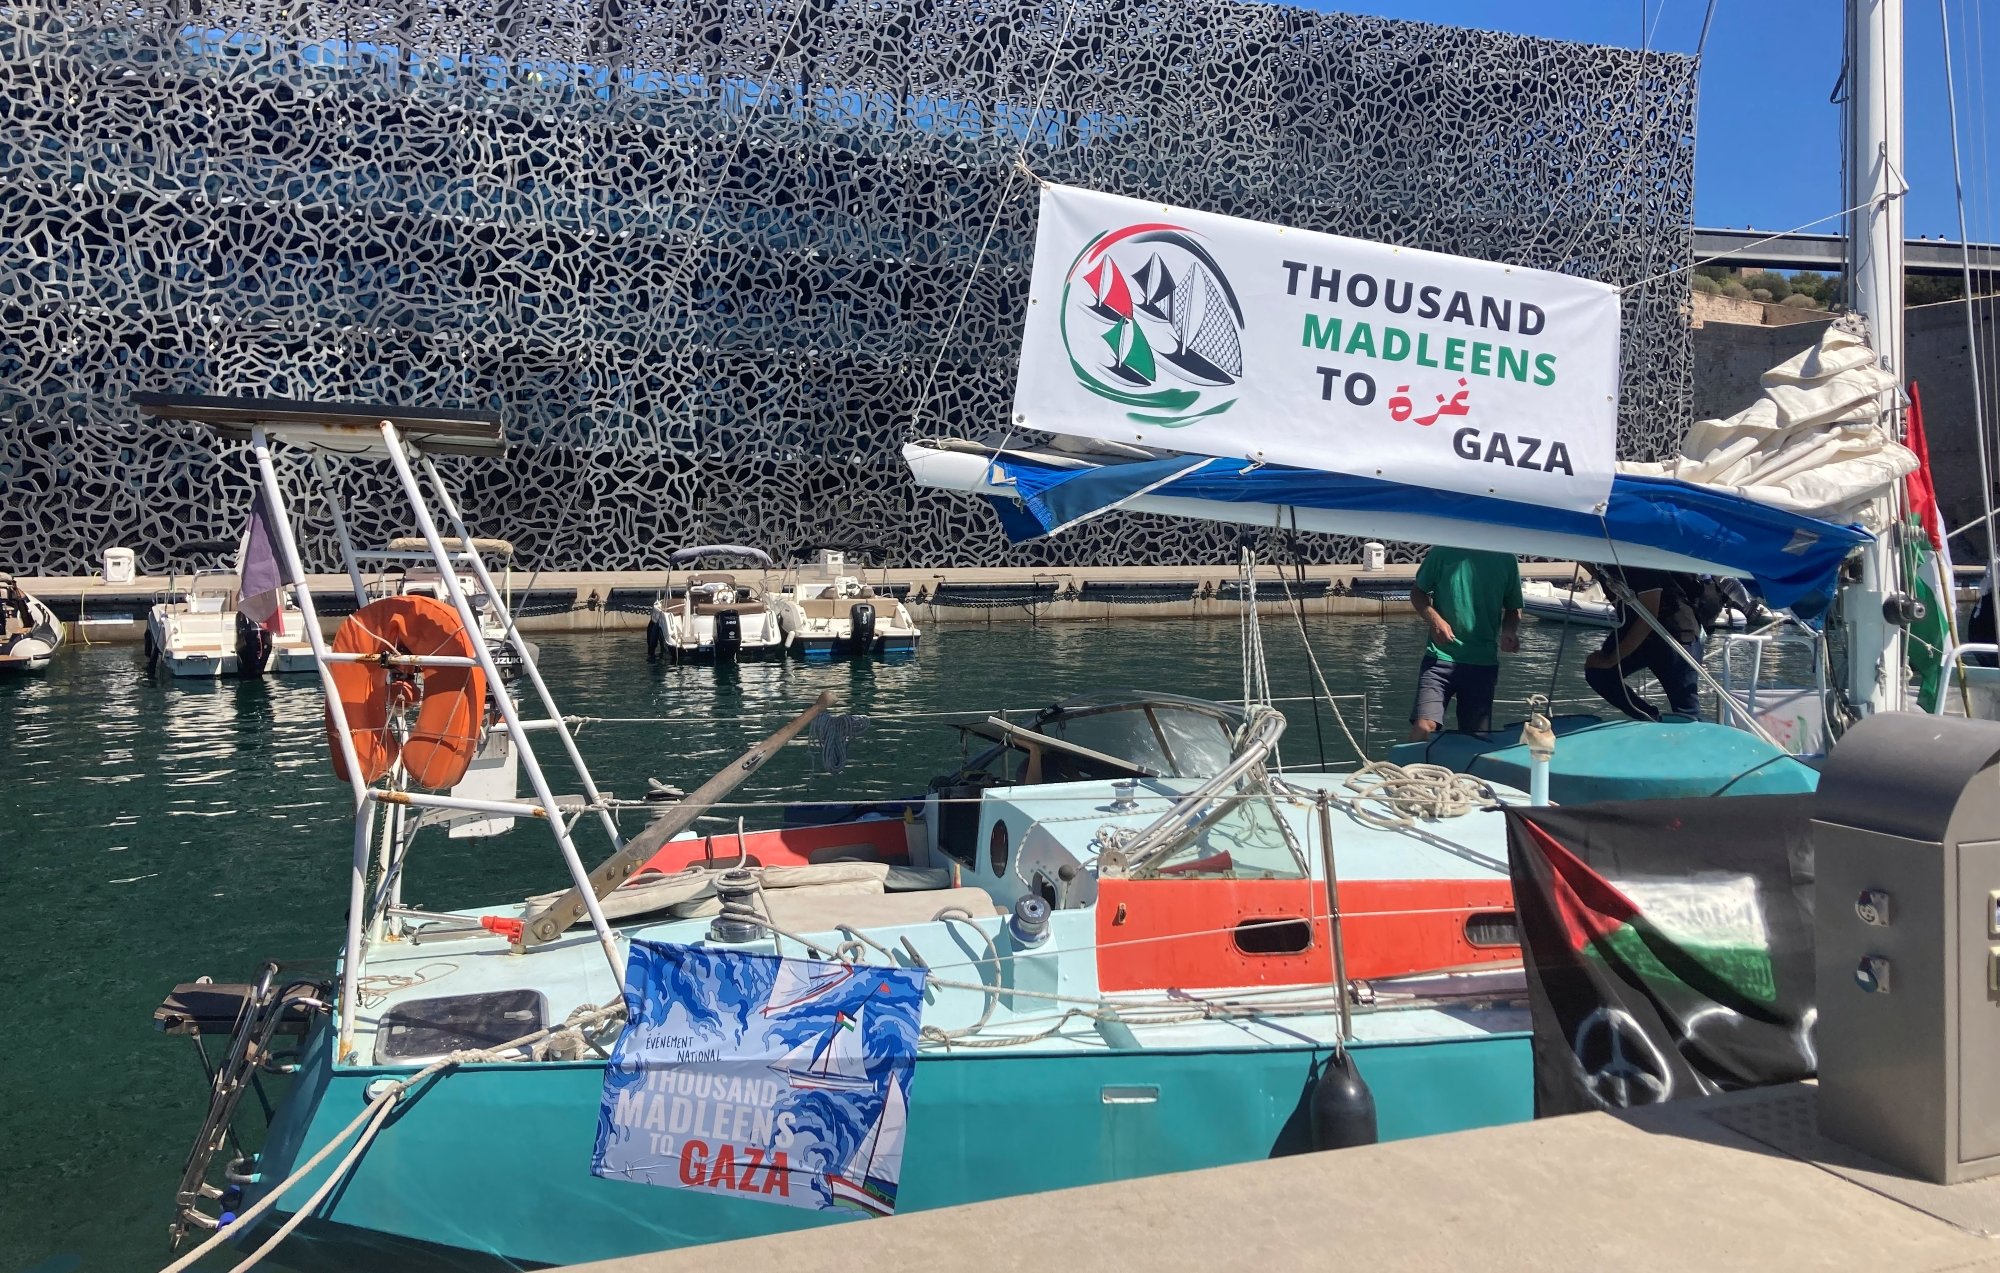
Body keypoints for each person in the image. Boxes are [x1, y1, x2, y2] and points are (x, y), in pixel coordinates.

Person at [1407, 546, 1522, 739]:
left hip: (1482, 663)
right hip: (1440, 657)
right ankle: (1404, 769)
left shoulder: (1507, 559)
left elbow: (1514, 607)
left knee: (1475, 739)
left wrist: (1509, 630)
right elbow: (1418, 592)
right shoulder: (1442, 552)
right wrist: (1435, 620)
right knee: (1424, 727)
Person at [1583, 566, 1706, 721]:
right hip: (1635, 630)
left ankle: (1691, 738)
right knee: (1598, 672)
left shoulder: (1638, 564)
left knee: (1686, 712)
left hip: (1673, 636)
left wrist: (1611, 660)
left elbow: (1649, 615)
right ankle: (1650, 719)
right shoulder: (1601, 566)